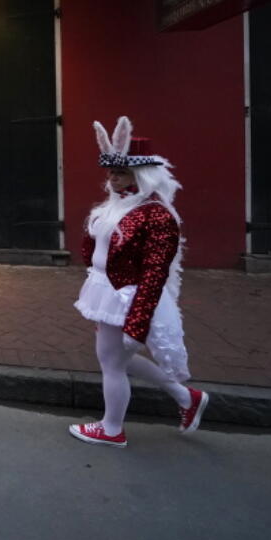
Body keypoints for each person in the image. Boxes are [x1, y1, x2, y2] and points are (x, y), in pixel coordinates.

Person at [68, 116, 209, 447]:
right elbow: (94, 251)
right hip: (106, 291)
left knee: (112, 364)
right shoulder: (116, 205)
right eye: (111, 172)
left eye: (121, 173)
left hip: (126, 296)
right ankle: (186, 397)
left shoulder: (157, 216)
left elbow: (155, 273)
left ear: (141, 175)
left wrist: (137, 320)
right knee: (116, 359)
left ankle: (112, 429)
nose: (113, 178)